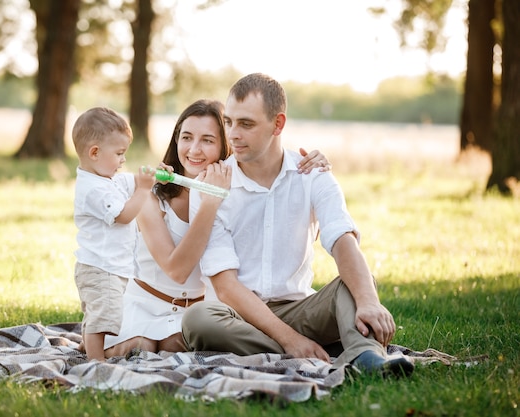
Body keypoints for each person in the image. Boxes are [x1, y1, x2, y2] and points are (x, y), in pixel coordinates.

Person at [181, 73, 414, 378]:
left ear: (278, 124)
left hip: (300, 309)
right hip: (239, 317)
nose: (233, 134)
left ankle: (366, 357)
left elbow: (343, 239)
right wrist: (291, 340)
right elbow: (225, 286)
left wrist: (369, 302)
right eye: (229, 122)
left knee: (356, 281)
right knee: (198, 319)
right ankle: (315, 350)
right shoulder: (209, 186)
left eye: (246, 124)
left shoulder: (313, 174)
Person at [102, 99, 332, 358]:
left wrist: (315, 168)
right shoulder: (150, 196)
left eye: (208, 140)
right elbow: (177, 270)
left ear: (226, 146)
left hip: (196, 313)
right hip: (146, 304)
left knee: (174, 347)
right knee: (139, 350)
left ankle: (298, 347)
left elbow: (297, 228)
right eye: (187, 137)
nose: (194, 150)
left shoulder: (240, 189)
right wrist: (209, 204)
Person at [71, 106, 156, 361]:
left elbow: (132, 180)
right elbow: (124, 215)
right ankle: (95, 363)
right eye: (119, 153)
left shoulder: (106, 178)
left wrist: (153, 178)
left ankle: (86, 348)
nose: (123, 160)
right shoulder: (93, 189)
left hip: (107, 267)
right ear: (94, 152)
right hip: (101, 268)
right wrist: (143, 191)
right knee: (103, 317)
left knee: (99, 311)